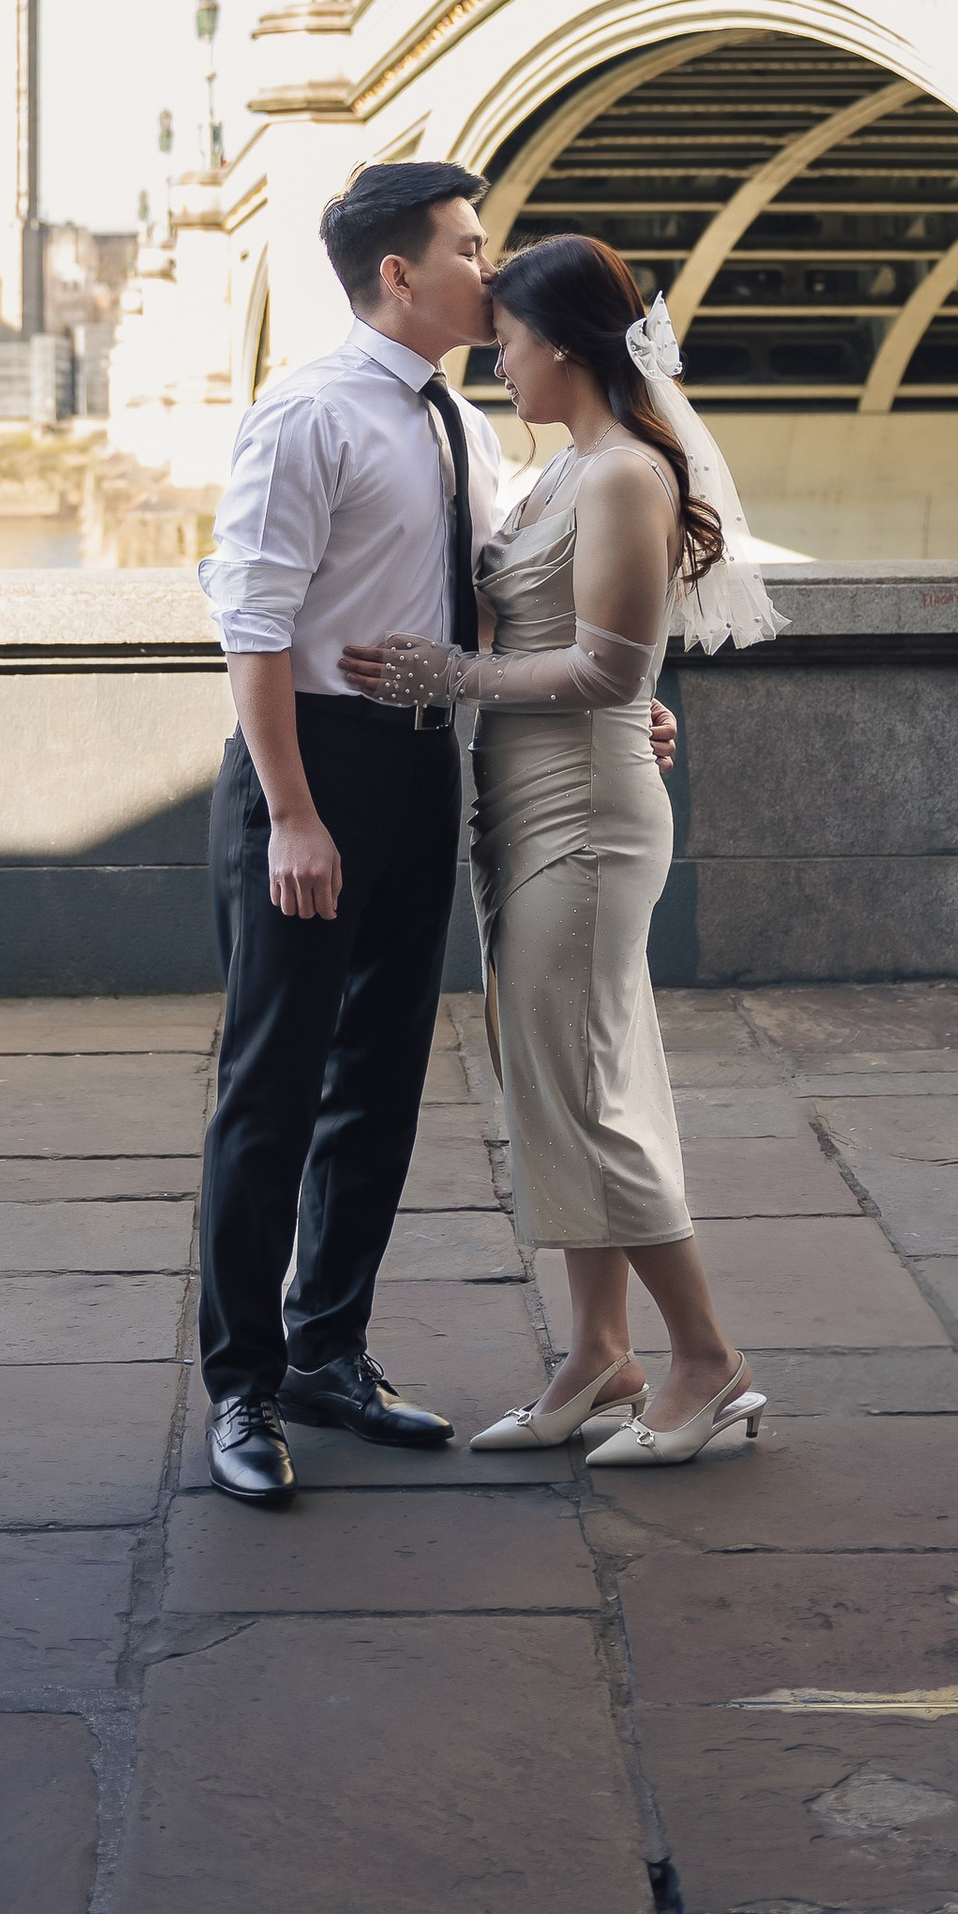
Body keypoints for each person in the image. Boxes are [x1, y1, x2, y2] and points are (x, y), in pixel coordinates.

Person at [345, 232, 785, 1468]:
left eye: (508, 344)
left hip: (586, 817)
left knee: (588, 1094)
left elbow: (609, 670)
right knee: (557, 1080)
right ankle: (599, 1352)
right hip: (525, 806)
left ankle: (706, 1359)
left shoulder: (621, 478)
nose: (498, 364)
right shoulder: (556, 473)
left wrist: (450, 672)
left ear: (564, 344)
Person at [192, 159, 511, 1507]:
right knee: (270, 1094)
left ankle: (332, 1351)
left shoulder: (460, 426)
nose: (493, 269)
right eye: (472, 246)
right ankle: (242, 1390)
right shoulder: (306, 415)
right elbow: (252, 628)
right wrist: (293, 817)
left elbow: (489, 606)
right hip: (310, 773)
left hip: (422, 772)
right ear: (400, 272)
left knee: (380, 1083)